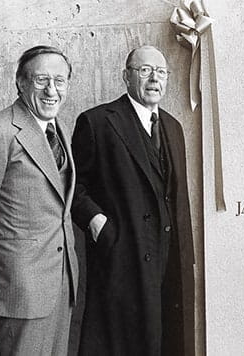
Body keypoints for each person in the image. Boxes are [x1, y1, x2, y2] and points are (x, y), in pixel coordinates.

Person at [0, 45, 78, 355]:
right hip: (20, 287)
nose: (52, 90)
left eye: (59, 81)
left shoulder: (58, 128)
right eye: (41, 80)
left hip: (62, 281)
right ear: (21, 83)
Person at [71, 45, 194, 355]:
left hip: (170, 260)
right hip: (123, 258)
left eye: (161, 72)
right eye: (144, 71)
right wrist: (98, 223)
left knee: (168, 342)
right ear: (125, 77)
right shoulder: (97, 122)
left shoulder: (173, 127)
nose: (154, 79)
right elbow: (73, 186)